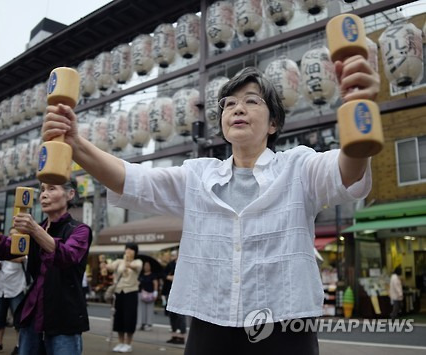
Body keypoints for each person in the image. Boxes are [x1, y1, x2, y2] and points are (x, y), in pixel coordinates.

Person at [41, 54, 378, 354]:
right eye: (229, 104)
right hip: (209, 324)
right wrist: (76, 143)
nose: (238, 109)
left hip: (285, 327)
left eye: (251, 101)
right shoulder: (198, 176)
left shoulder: (299, 167)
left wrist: (360, 111)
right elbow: (132, 180)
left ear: (273, 123)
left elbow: (347, 171)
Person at [0, 180, 92, 355]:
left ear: (70, 194)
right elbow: (6, 248)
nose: (44, 194)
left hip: (64, 317)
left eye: (52, 188)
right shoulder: (37, 228)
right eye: (42, 189)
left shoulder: (80, 230)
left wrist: (34, 229)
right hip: (33, 315)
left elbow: (67, 256)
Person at [0, 227, 27, 355]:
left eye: (15, 235)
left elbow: (20, 259)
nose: (12, 237)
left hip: (17, 289)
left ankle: (19, 345)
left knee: (18, 320)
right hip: (1, 288)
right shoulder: (4, 248)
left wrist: (2, 255)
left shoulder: (23, 248)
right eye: (11, 235)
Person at [106, 243, 142, 353]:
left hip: (131, 292)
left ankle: (128, 343)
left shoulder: (138, 262)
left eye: (131, 249)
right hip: (119, 292)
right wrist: (105, 264)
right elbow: (110, 267)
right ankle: (120, 342)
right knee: (119, 317)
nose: (129, 251)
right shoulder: (119, 261)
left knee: (129, 318)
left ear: (135, 252)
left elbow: (136, 267)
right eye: (127, 249)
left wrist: (127, 261)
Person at [162, 250, 186, 345]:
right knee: (172, 314)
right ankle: (174, 335)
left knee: (181, 315)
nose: (174, 256)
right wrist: (169, 277)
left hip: (181, 291)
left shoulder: (184, 264)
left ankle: (182, 337)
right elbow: (163, 274)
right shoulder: (170, 264)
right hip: (169, 290)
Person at [138, 260, 158, 331]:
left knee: (149, 309)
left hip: (150, 294)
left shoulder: (153, 275)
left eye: (148, 265)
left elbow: (155, 283)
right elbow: (138, 283)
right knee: (141, 309)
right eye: (145, 265)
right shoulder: (141, 275)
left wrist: (155, 292)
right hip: (142, 294)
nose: (146, 267)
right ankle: (142, 324)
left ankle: (149, 324)